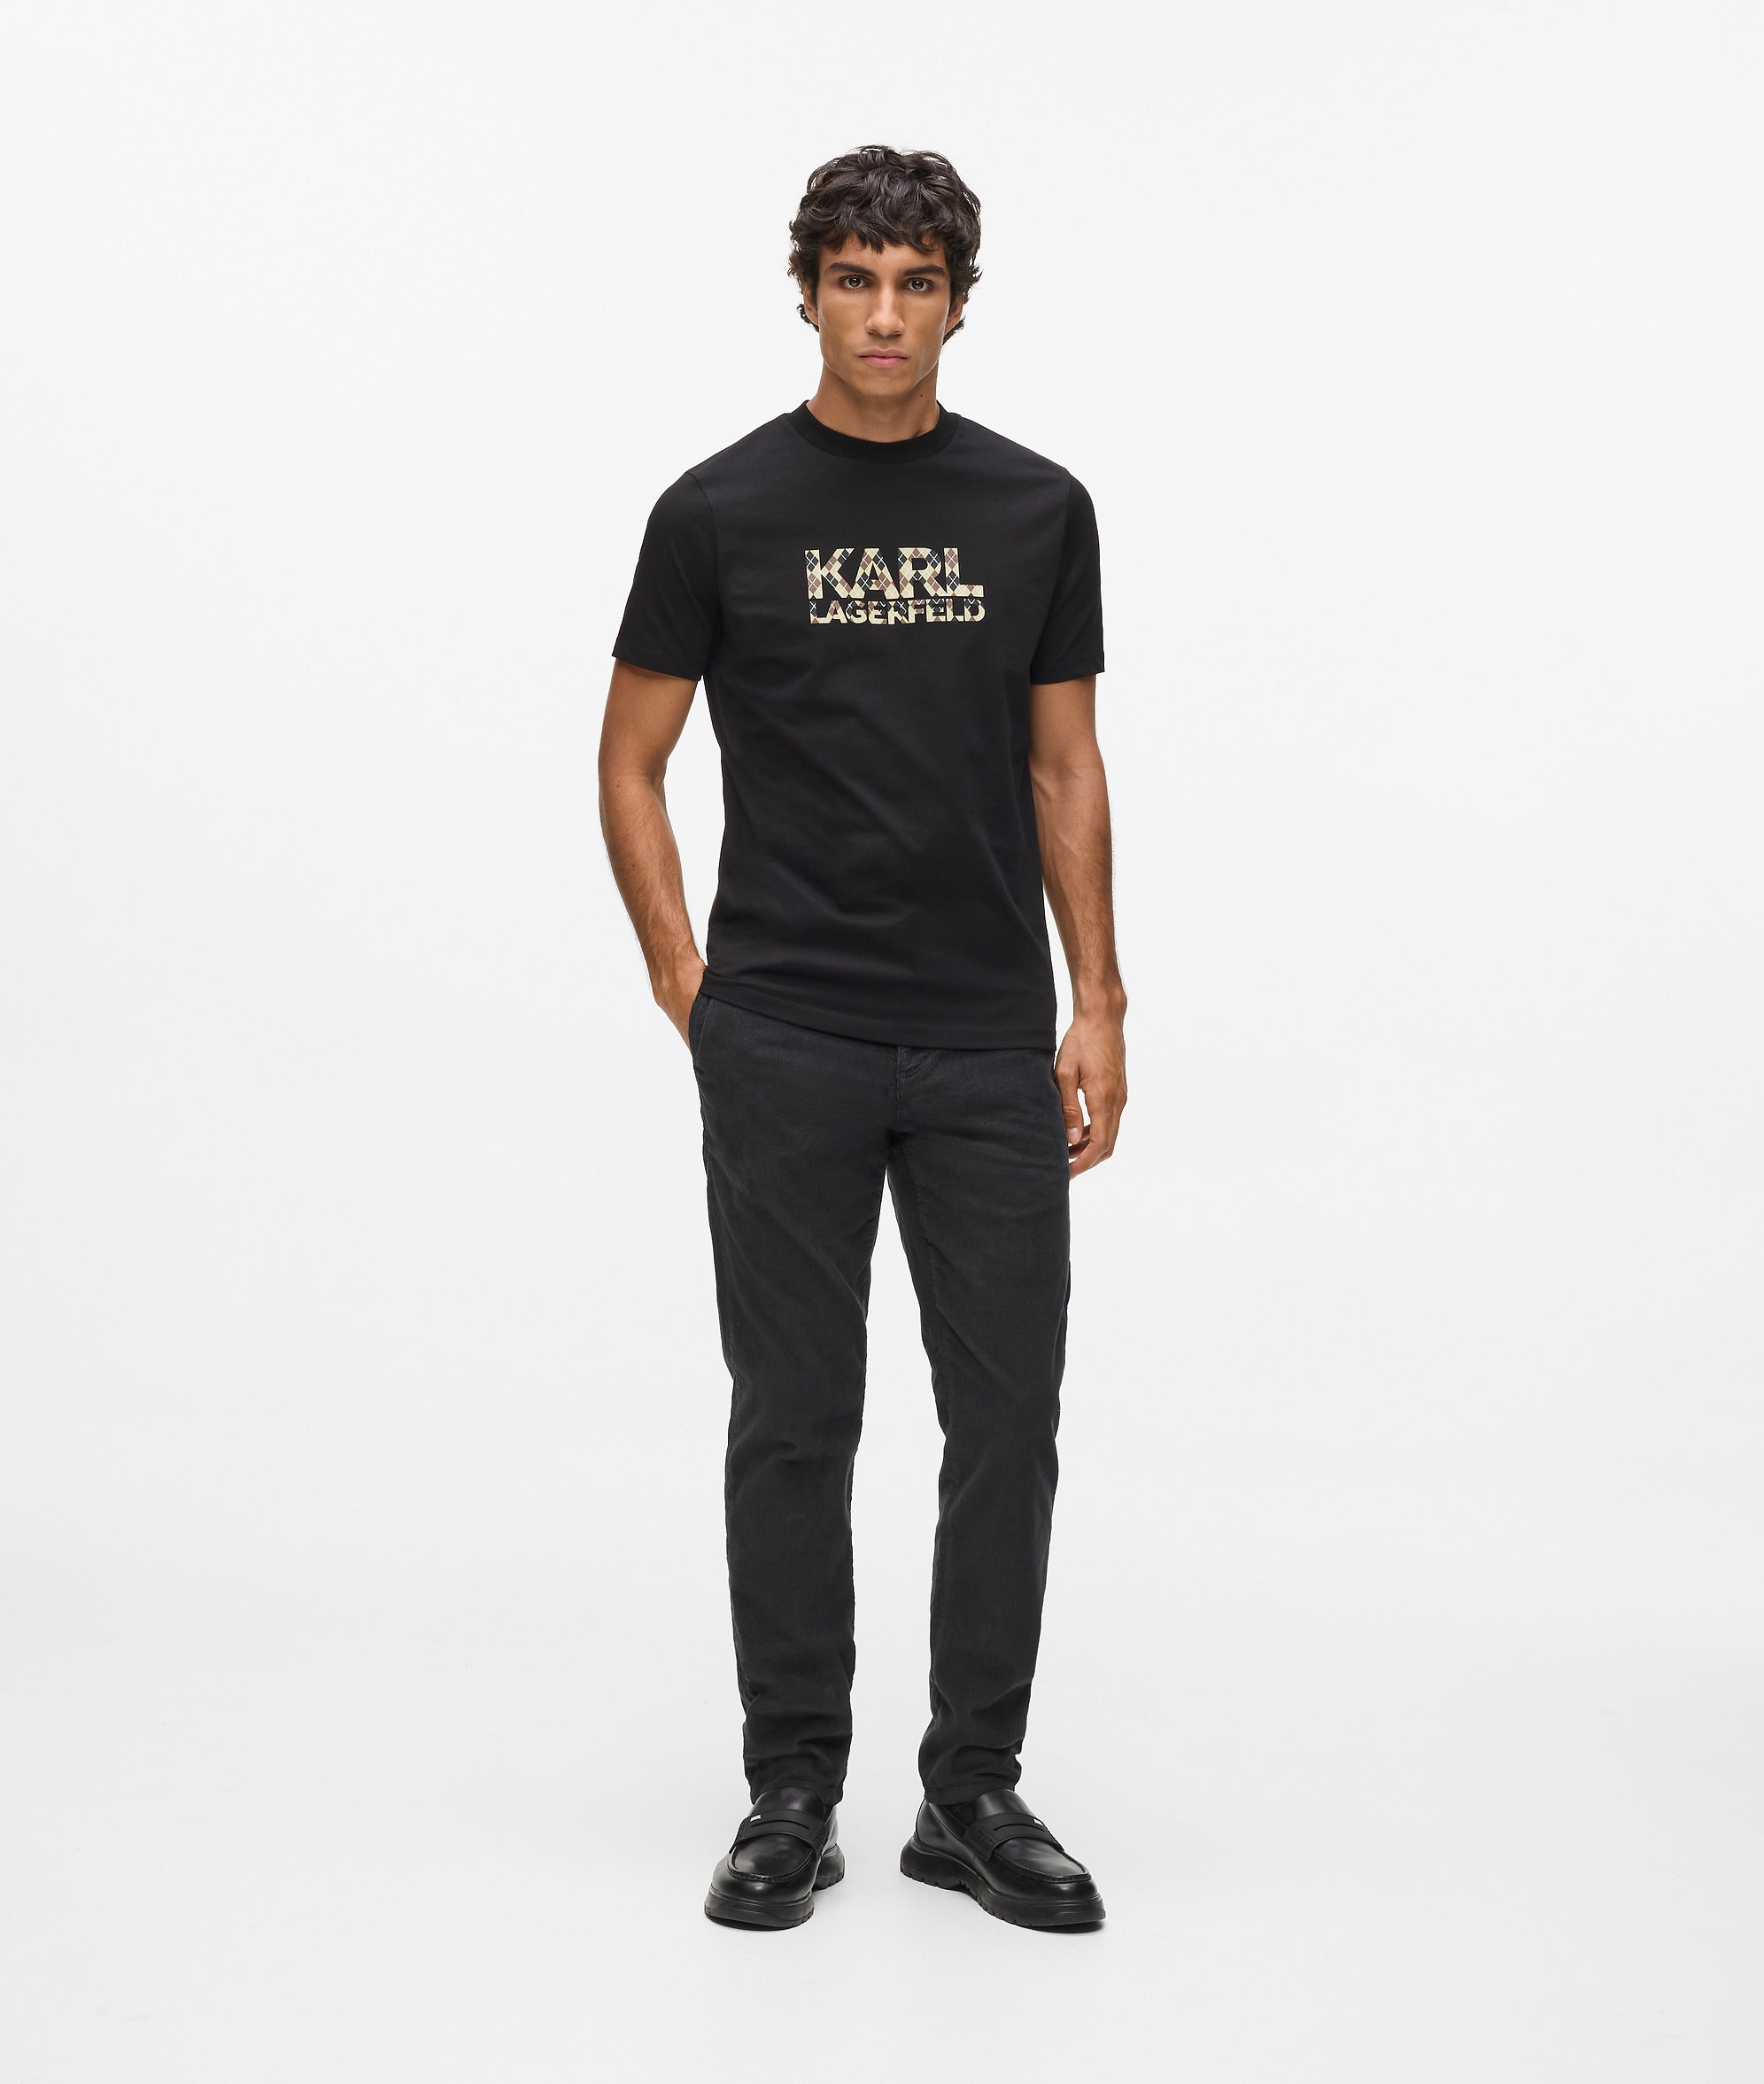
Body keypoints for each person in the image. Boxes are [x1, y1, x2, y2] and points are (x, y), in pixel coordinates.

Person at [599, 143, 1126, 1933]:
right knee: (794, 1415)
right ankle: (793, 1784)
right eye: (854, 280)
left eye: (916, 283)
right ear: (809, 292)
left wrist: (1098, 999)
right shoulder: (717, 510)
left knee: (1008, 1413)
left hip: (985, 1041)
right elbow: (630, 760)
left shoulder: (1038, 509)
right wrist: (690, 982)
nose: (883, 314)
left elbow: (1064, 765)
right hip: (789, 1035)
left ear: (959, 304)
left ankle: (969, 1789)